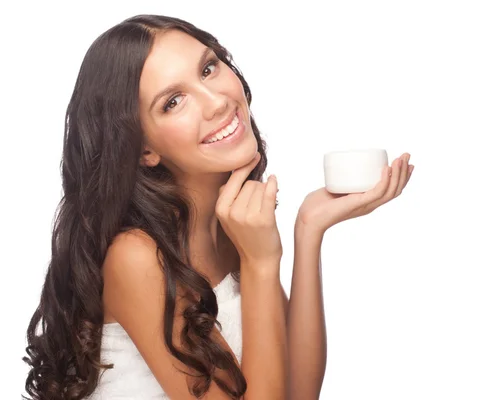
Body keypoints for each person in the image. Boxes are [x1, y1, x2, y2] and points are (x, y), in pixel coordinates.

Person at [23, 14, 414, 400]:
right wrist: (261, 263)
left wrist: (308, 230)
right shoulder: (136, 257)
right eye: (174, 101)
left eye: (208, 68)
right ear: (143, 149)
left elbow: (299, 393)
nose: (217, 102)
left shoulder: (231, 225)